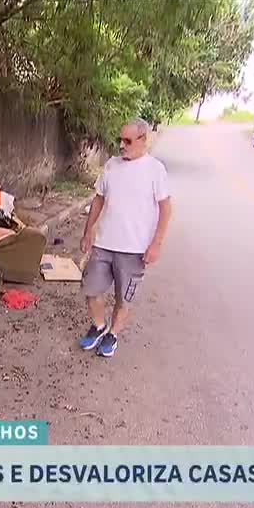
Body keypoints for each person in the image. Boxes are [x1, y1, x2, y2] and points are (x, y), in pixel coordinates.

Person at [79, 118, 172, 358]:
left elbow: (165, 208)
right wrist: (88, 230)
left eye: (128, 141)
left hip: (134, 249)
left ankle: (112, 335)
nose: (122, 145)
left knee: (123, 298)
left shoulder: (155, 170)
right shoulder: (111, 165)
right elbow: (99, 198)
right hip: (103, 243)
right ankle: (99, 326)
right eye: (120, 140)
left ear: (143, 140)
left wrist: (156, 244)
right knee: (91, 289)